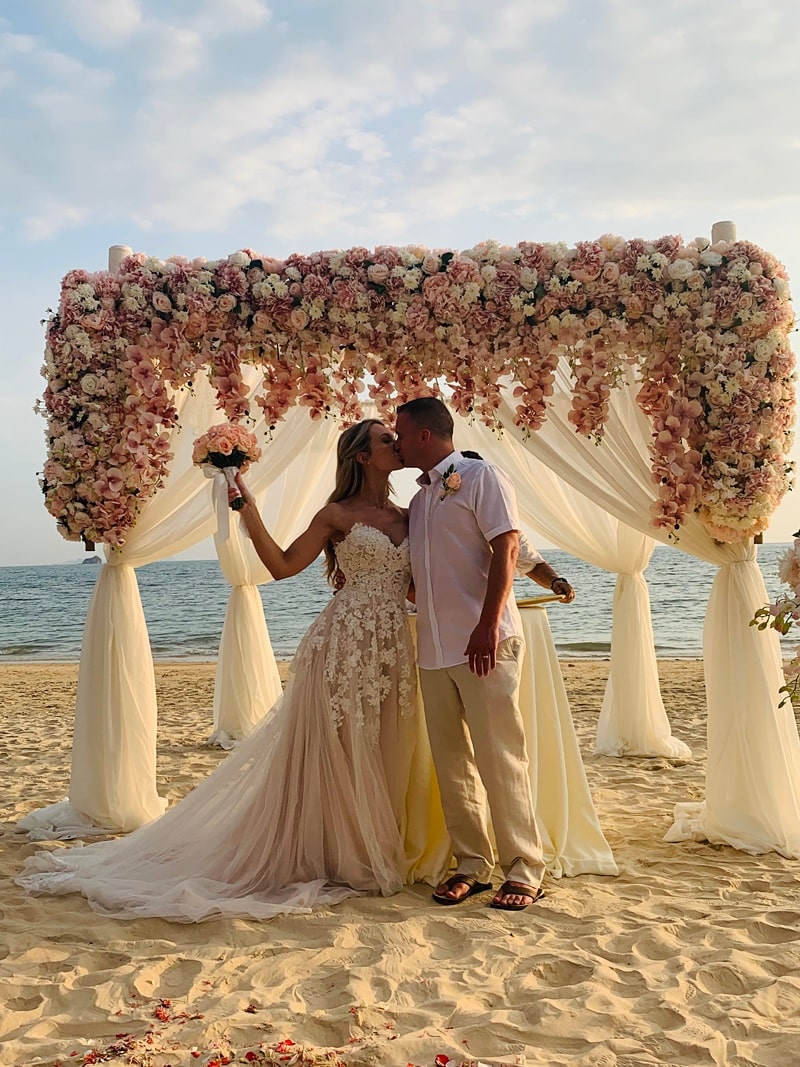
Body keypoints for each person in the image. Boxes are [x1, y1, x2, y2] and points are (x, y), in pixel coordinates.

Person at [18, 419, 425, 921]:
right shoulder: (336, 514)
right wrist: (248, 511)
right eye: (387, 438)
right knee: (340, 748)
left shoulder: (414, 514)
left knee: (385, 743)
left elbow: (419, 585)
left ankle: (374, 843)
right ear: (362, 455)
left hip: (396, 646)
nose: (397, 443)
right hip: (342, 644)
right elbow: (280, 566)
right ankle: (338, 854)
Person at [394, 397, 572, 911]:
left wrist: (487, 625)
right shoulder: (422, 500)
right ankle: (472, 864)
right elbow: (425, 574)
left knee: (501, 757)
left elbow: (510, 548)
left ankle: (525, 867)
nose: (398, 443)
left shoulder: (481, 477)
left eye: (402, 434)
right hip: (433, 650)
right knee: (452, 764)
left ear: (425, 435)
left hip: (484, 644)